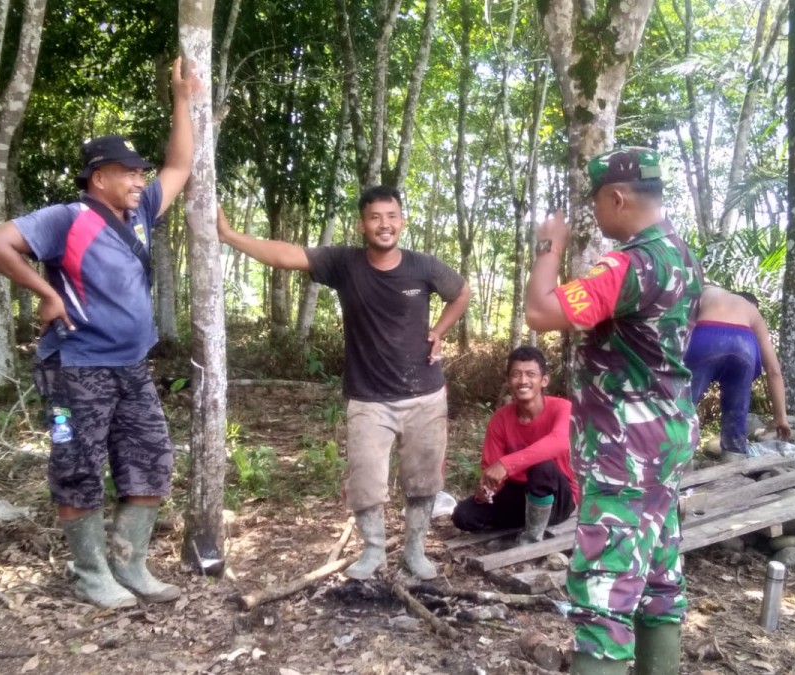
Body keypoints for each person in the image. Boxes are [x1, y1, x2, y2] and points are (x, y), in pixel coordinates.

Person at [0, 57, 200, 609]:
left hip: (131, 368)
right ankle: (90, 573)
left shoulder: (141, 214)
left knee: (151, 461)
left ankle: (131, 565)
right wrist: (46, 293)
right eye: (129, 172)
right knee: (78, 468)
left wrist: (182, 100)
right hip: (75, 367)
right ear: (100, 177)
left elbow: (180, 164)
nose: (140, 179)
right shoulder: (67, 217)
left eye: (140, 172)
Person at [216, 185, 471, 580]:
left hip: (425, 394)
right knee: (365, 480)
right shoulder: (345, 263)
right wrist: (231, 236)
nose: (384, 225)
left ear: (401, 222)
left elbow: (461, 292)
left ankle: (415, 550)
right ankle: (372, 551)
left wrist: (439, 330)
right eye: (375, 217)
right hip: (368, 398)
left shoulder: (424, 267)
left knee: (423, 480)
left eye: (391, 217)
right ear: (362, 224)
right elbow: (286, 256)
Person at [525, 148, 702, 675]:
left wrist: (548, 249)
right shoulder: (680, 255)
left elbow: (541, 312)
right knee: (657, 572)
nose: (596, 216)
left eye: (598, 202)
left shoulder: (630, 263)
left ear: (617, 197)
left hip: (623, 448)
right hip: (666, 435)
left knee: (603, 588)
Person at [451, 345, 577, 544]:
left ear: (544, 380)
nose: (523, 381)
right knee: (464, 515)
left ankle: (533, 536)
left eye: (530, 374)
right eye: (516, 374)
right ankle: (526, 522)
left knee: (542, 467)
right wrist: (486, 490)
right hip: (519, 495)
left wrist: (506, 465)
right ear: (508, 381)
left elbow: (560, 442)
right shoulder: (500, 418)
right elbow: (490, 470)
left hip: (557, 498)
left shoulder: (562, 408)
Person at [685, 286, 791, 453]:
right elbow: (773, 370)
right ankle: (734, 455)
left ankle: (676, 457)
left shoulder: (707, 291)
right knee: (736, 410)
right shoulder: (752, 311)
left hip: (706, 337)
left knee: (683, 403)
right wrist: (780, 417)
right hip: (744, 345)